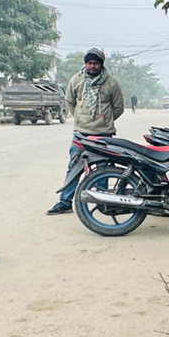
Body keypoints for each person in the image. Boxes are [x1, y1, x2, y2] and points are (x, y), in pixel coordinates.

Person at [47, 48, 125, 215]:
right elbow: (69, 102)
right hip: (81, 134)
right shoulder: (76, 80)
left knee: (102, 169)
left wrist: (105, 120)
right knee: (74, 168)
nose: (92, 66)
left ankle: (103, 202)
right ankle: (65, 202)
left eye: (96, 63)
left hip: (103, 136)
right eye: (89, 63)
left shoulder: (111, 83)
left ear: (101, 64)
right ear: (85, 64)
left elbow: (118, 108)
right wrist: (80, 118)